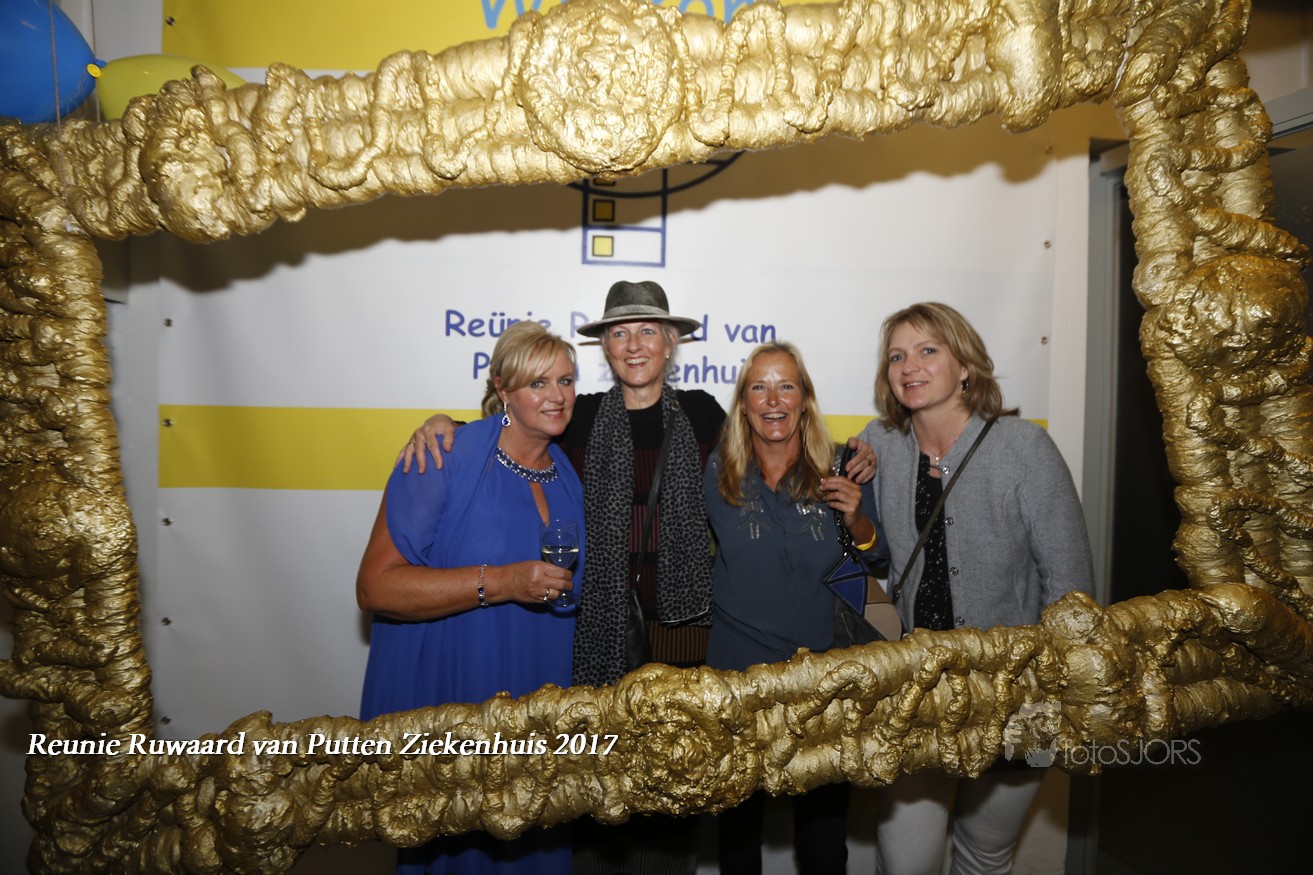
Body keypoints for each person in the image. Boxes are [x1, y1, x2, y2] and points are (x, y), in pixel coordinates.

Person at [401, 281, 725, 875]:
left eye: (647, 331)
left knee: (672, 799)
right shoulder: (581, 415)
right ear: (605, 346)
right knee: (593, 795)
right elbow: (506, 434)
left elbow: (765, 461)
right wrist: (440, 422)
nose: (634, 345)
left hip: (681, 643)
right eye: (619, 332)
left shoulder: (704, 413)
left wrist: (851, 458)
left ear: (670, 342)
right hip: (595, 641)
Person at [858, 302, 1094, 875]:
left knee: (985, 858)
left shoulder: (1023, 448)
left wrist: (1053, 695)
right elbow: (865, 555)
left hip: (1016, 696)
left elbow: (1071, 588)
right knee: (905, 865)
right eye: (897, 356)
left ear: (965, 366)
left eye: (928, 350)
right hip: (917, 694)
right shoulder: (878, 445)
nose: (910, 366)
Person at [357, 320, 584, 875]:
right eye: (537, 383)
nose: (557, 396)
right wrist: (501, 582)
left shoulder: (566, 472)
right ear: (503, 389)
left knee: (537, 851)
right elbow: (375, 586)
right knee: (457, 851)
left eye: (566, 380)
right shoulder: (444, 457)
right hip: (459, 694)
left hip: (540, 704)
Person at [704, 341, 882, 875]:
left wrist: (857, 522)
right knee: (738, 841)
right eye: (759, 387)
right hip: (739, 682)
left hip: (823, 682)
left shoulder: (843, 465)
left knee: (823, 842)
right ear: (743, 404)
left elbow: (877, 559)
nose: (773, 399)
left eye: (786, 386)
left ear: (805, 399)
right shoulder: (719, 470)